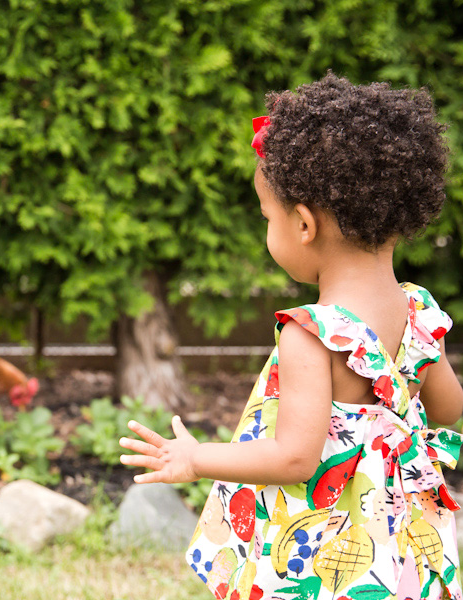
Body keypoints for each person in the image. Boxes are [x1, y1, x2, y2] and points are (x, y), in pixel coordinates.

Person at [119, 73, 463, 600]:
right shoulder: (420, 311)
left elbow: (295, 459)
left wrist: (194, 459)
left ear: (304, 224)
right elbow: (448, 408)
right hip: (401, 542)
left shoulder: (314, 332)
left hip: (329, 550)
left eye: (267, 217)